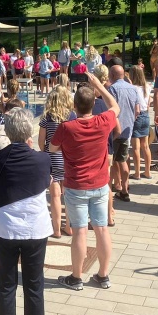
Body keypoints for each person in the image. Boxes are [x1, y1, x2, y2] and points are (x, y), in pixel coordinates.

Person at [0, 109, 51, 315]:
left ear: (8, 132)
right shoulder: (42, 160)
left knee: (6, 285)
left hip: (4, 227)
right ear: (30, 133)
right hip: (35, 228)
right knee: (34, 285)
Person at [51, 75, 120, 292]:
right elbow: (115, 106)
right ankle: (103, 275)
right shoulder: (103, 121)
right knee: (101, 230)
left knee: (80, 232)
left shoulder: (67, 127)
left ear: (74, 105)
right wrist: (100, 86)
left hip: (75, 186)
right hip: (100, 185)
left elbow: (51, 149)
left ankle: (76, 277)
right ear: (93, 104)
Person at [38, 87, 74, 239]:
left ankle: (57, 229)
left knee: (55, 197)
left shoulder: (47, 117)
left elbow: (41, 142)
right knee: (69, 196)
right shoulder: (72, 116)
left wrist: (46, 151)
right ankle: (69, 227)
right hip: (67, 158)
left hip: (52, 158)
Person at [108, 65, 140, 203]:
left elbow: (111, 111)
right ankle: (125, 189)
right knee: (122, 160)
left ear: (113, 75)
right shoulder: (133, 89)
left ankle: (114, 186)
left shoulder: (112, 89)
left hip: (114, 130)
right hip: (127, 129)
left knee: (112, 162)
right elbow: (137, 111)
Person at [128, 66, 152, 180]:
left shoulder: (133, 88)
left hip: (136, 116)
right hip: (146, 115)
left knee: (136, 148)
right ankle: (147, 171)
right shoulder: (147, 86)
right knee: (146, 146)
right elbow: (149, 102)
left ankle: (137, 173)